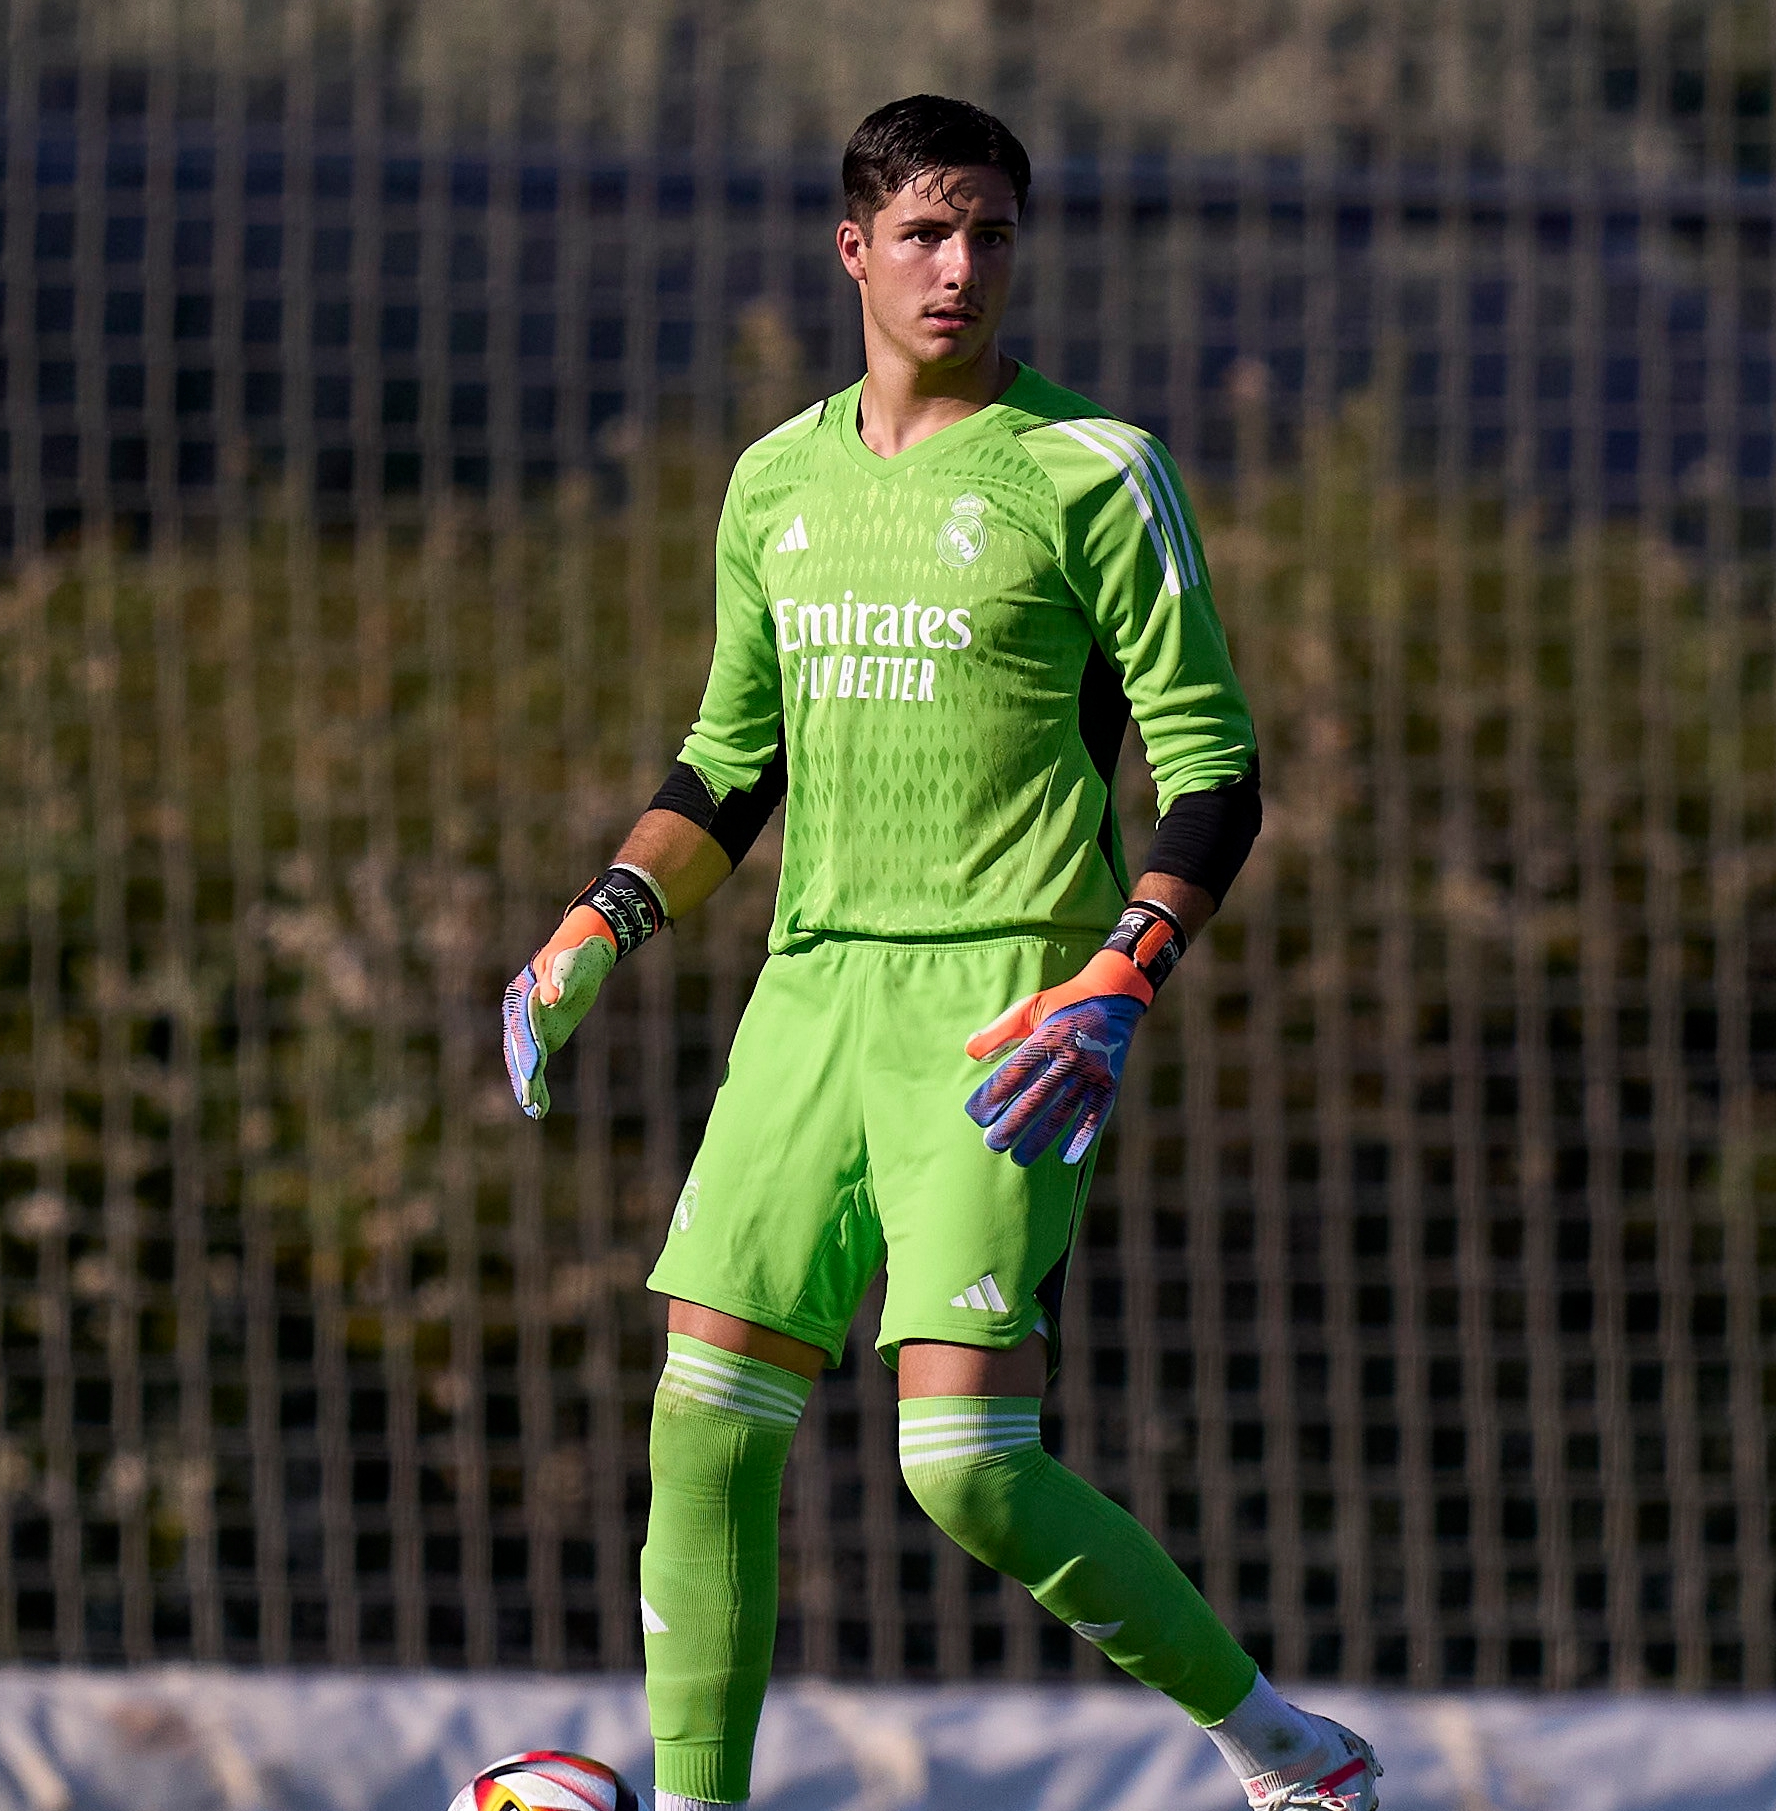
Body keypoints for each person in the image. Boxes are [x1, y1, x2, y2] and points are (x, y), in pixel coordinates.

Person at [502, 94, 1381, 1811]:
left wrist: (1123, 972)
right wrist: (597, 922)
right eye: (923, 230)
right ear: (854, 248)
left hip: (1008, 1012)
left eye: (988, 231)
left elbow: (1214, 776)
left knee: (966, 1470)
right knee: (704, 1417)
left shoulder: (1093, 471)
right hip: (813, 996)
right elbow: (728, 765)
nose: (959, 266)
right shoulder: (777, 483)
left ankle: (1288, 1756)